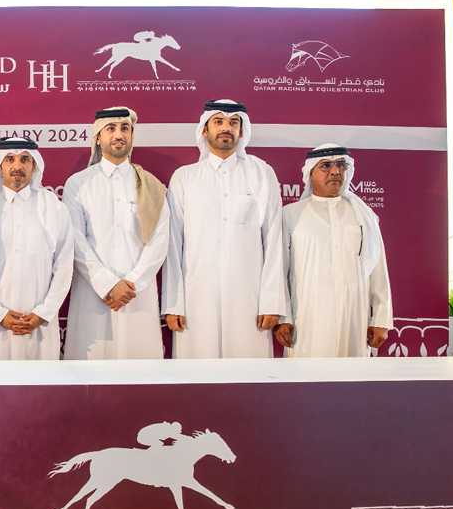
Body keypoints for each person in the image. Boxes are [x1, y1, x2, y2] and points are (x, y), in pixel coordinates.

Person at [162, 100, 287, 358]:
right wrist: (173, 303)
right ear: (205, 130)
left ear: (241, 131)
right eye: (218, 122)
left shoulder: (262, 174)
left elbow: (275, 240)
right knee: (197, 371)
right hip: (197, 297)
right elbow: (173, 244)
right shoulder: (184, 177)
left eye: (233, 122)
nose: (226, 128)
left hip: (250, 299)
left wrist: (272, 301)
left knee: (248, 372)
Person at [62, 107, 170, 359]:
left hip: (137, 295)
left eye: (125, 128)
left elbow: (159, 241)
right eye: (110, 129)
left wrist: (131, 284)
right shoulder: (78, 184)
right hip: (93, 293)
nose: (118, 135)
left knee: (139, 370)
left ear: (132, 135)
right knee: (90, 371)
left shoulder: (152, 186)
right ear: (98, 137)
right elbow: (75, 239)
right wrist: (107, 284)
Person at [274, 144, 392, 356]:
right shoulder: (290, 214)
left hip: (354, 318)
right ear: (310, 173)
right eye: (326, 166)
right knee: (306, 373)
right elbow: (279, 270)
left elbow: (378, 269)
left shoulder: (363, 215)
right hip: (306, 320)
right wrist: (283, 318)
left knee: (352, 374)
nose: (335, 171)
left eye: (340, 165)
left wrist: (381, 319)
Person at [0, 136, 73, 360]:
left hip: (42, 327)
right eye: (9, 159)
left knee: (43, 382)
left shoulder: (54, 209)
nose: (17, 166)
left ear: (34, 166)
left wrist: (43, 312)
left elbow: (64, 265)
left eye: (25, 159)